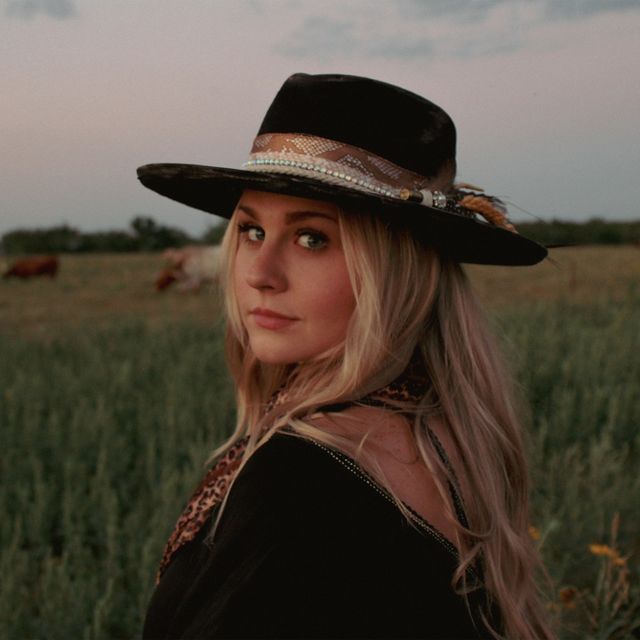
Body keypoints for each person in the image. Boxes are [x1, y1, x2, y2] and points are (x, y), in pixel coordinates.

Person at [138, 73, 555, 639]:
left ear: (394, 268)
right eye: (252, 231)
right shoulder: (448, 431)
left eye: (313, 238)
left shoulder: (296, 484)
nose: (260, 274)